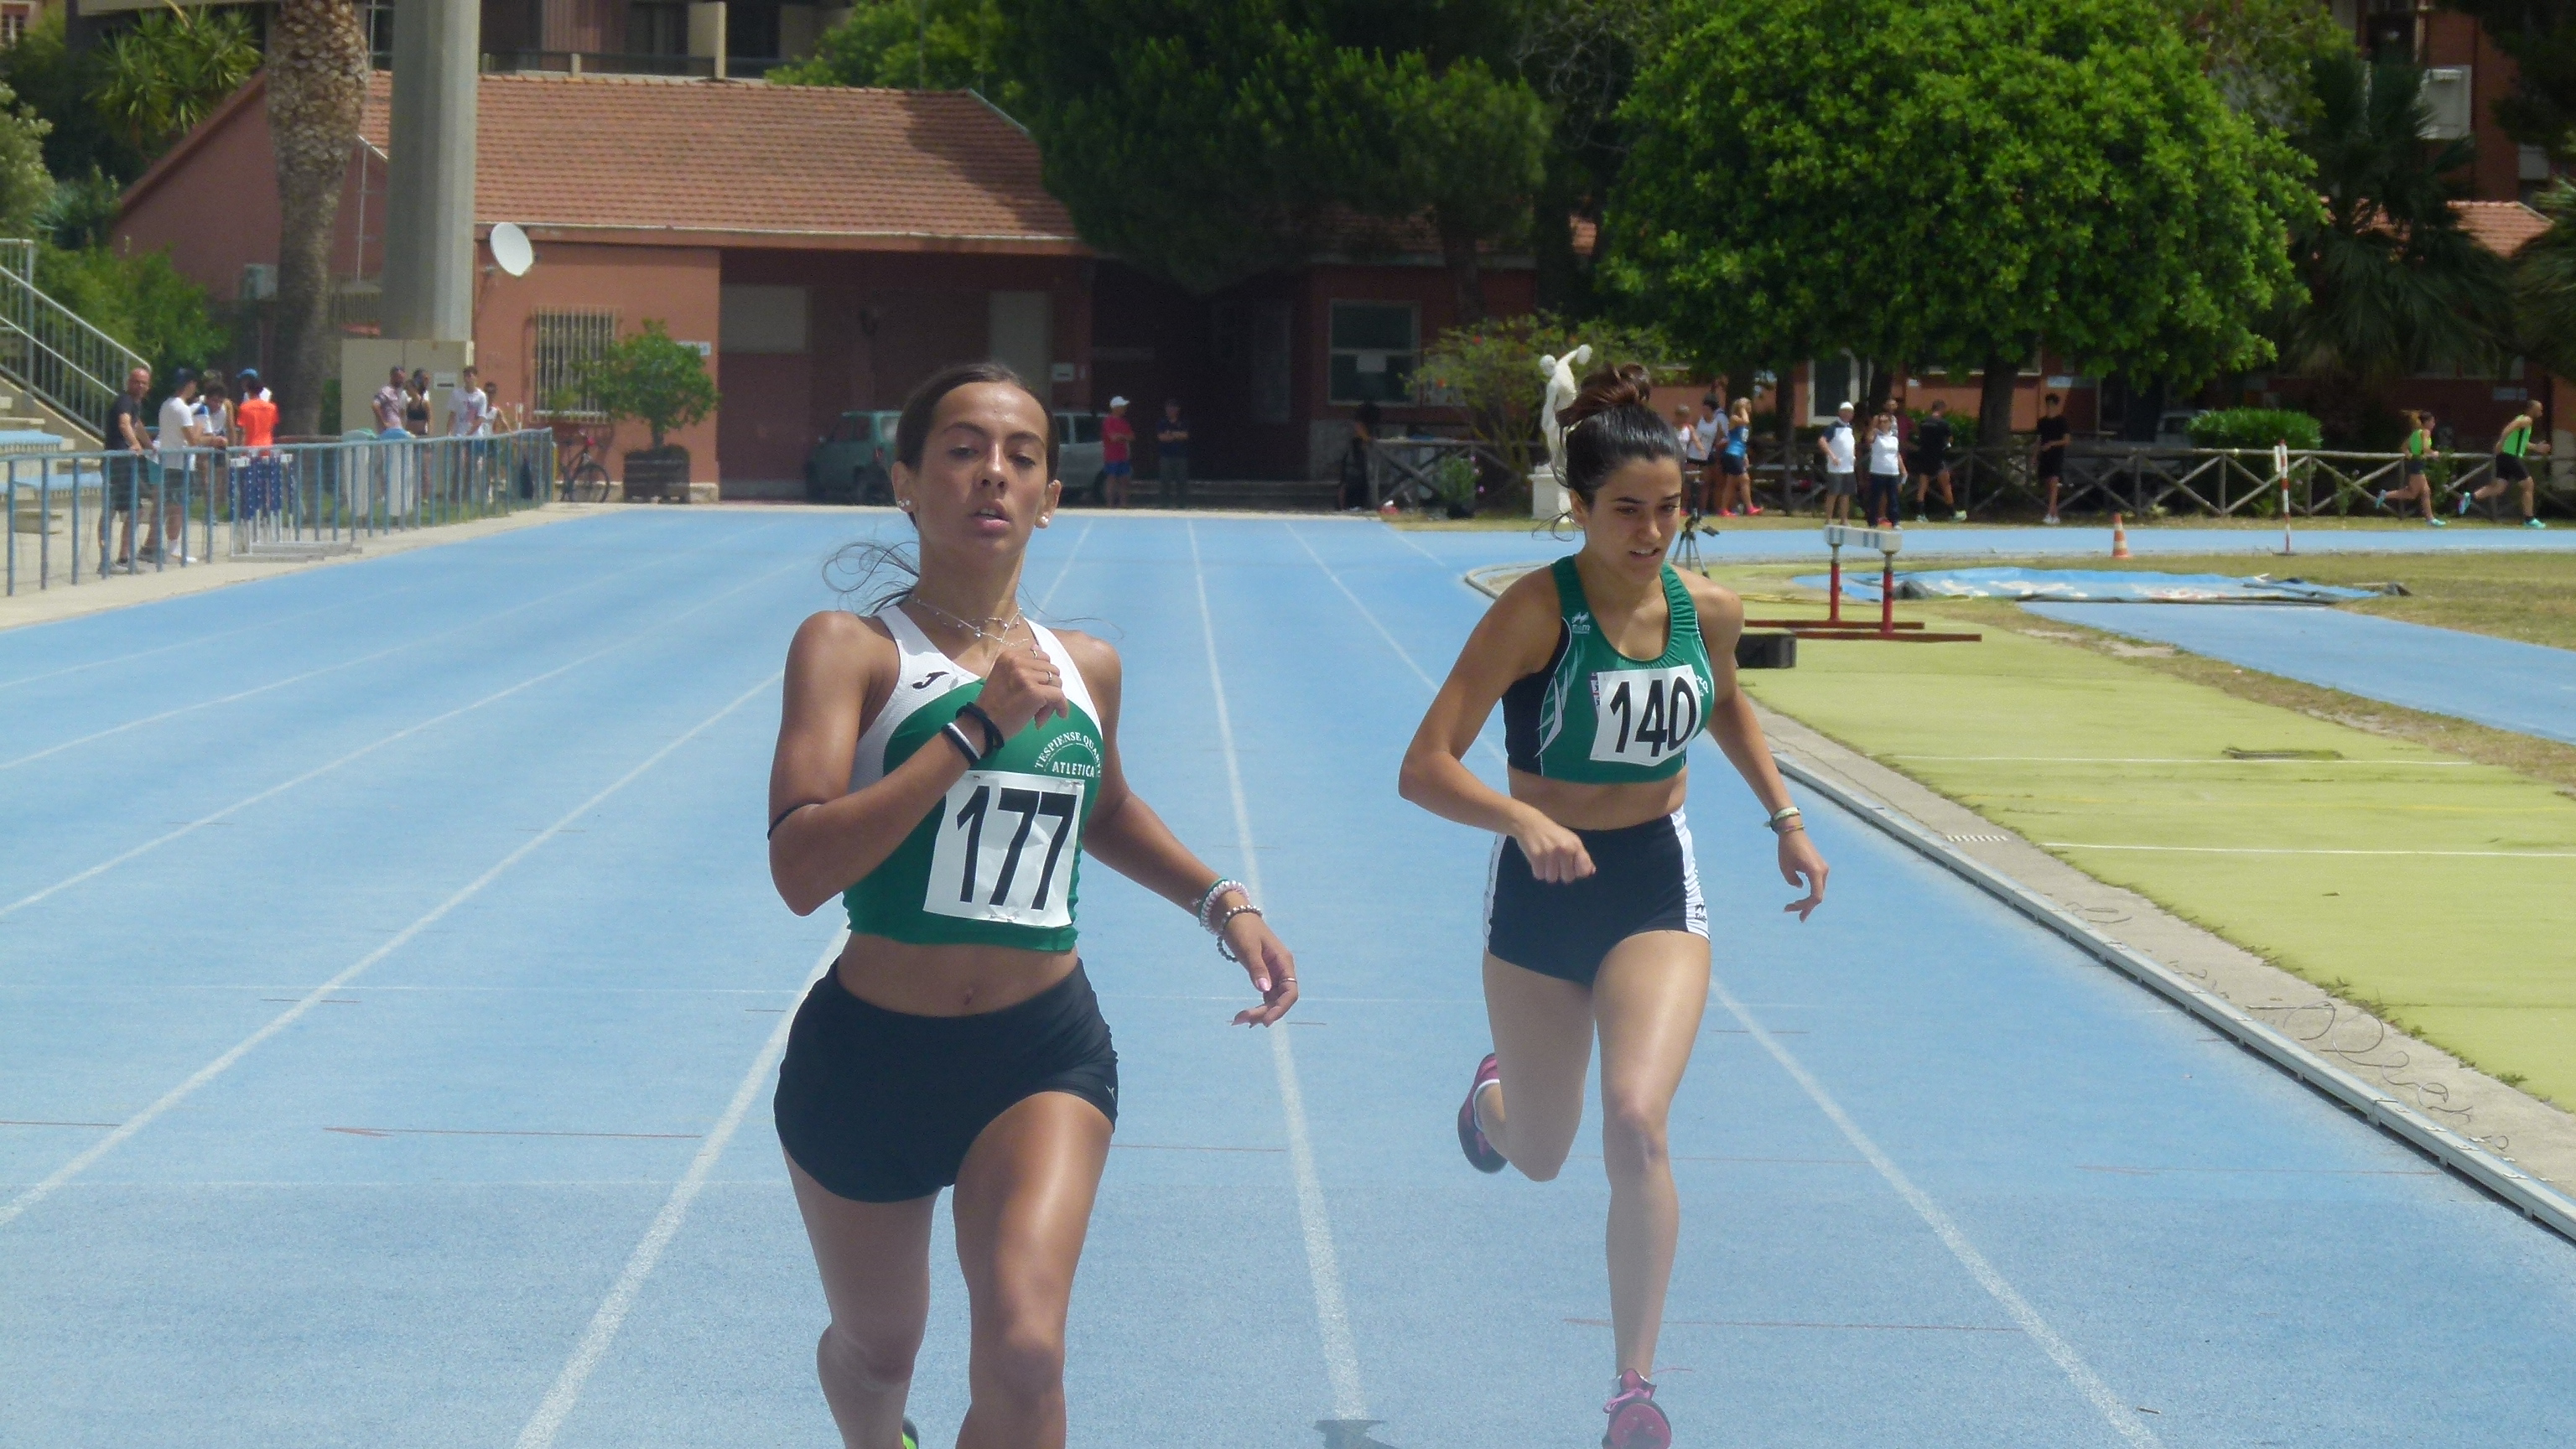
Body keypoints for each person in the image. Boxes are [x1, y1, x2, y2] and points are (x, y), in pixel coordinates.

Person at [766, 361, 1299, 1449]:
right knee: (878, 1350)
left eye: (1020, 457)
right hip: (867, 1061)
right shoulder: (851, 650)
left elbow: (1105, 809)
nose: (992, 474)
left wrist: (1220, 898)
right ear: (905, 481)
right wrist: (973, 730)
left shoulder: (1084, 665)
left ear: (1053, 496)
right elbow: (800, 869)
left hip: (1039, 1053)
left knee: (1025, 1351)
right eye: (962, 450)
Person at [1397, 362, 1827, 1449]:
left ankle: (1633, 1387)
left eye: (1670, 508)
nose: (1651, 532)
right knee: (1543, 1152)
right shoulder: (1534, 614)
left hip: (1651, 885)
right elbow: (1424, 766)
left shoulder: (1707, 610)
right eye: (1627, 510)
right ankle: (1492, 1105)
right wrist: (1521, 819)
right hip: (1540, 896)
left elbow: (1726, 705)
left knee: (1636, 1121)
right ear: (1579, 507)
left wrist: (1785, 818)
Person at [2466, 399, 2550, 528]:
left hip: (2503, 457)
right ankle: (2529, 519)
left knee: (2499, 488)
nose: (2541, 412)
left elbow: (2521, 442)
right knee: (2528, 485)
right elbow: (2509, 428)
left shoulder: (2523, 420)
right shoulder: (2526, 420)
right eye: (2539, 409)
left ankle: (2470, 497)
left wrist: (2536, 448)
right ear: (2531, 409)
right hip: (2511, 457)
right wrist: (2500, 442)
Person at [101, 366, 152, 569]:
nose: (139, 386)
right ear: (129, 383)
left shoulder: (135, 404)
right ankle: (105, 560)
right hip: (117, 462)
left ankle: (123, 557)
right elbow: (124, 424)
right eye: (136, 382)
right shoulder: (124, 401)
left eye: (143, 383)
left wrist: (149, 445)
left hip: (126, 463)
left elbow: (136, 425)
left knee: (136, 510)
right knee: (111, 510)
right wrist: (136, 444)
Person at [154, 368, 206, 563]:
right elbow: (193, 440)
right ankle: (173, 548)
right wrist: (200, 423)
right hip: (180, 463)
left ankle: (171, 547)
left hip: (169, 461)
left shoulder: (166, 405)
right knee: (178, 507)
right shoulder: (182, 408)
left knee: (172, 505)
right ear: (190, 384)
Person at [2376, 410, 2445, 526]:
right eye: (2432, 421)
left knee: (2425, 491)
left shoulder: (2415, 433)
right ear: (2426, 422)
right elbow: (2425, 448)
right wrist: (2434, 453)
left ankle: (2430, 518)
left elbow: (2404, 447)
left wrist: (2411, 456)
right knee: (2413, 493)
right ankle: (2385, 495)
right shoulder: (2425, 432)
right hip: (2419, 464)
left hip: (2416, 462)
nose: (2434, 424)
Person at [1909, 399, 1963, 522]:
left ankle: (1920, 514)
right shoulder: (1943, 423)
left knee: (1922, 486)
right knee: (1946, 485)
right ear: (1942, 409)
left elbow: (1919, 436)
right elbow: (1950, 439)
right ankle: (1952, 513)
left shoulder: (1924, 422)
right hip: (1938, 458)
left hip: (1924, 456)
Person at [1817, 400, 1857, 522]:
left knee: (1846, 494)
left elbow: (1850, 444)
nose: (1847, 414)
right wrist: (1832, 456)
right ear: (1840, 413)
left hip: (1848, 467)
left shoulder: (1850, 427)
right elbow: (1822, 441)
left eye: (1849, 412)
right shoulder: (1833, 427)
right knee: (1833, 493)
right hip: (1836, 467)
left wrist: (1853, 456)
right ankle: (1828, 519)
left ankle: (1844, 519)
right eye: (1845, 412)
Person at [1864, 404, 1904, 527]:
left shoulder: (1894, 437)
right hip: (1878, 471)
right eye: (1880, 422)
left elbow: (1896, 454)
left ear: (1890, 423)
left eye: (1885, 421)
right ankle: (1872, 521)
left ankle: (1895, 521)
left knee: (1893, 498)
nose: (1882, 424)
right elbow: (1868, 440)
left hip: (1892, 472)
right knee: (1875, 498)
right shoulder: (1876, 435)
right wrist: (1874, 425)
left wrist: (1903, 469)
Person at [2033, 392, 2070, 525]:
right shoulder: (2042, 422)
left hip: (2056, 455)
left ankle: (2049, 513)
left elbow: (2066, 440)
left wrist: (2052, 444)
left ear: (2056, 406)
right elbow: (2038, 440)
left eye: (2052, 405)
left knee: (2054, 484)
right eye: (2048, 405)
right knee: (2048, 485)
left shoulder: (2062, 421)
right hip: (2045, 456)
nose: (2050, 407)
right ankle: (2055, 514)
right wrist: (2035, 456)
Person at [1720, 398, 1756, 517]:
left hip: (1739, 454)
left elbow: (1742, 441)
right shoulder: (1734, 418)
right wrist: (1742, 408)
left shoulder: (1745, 425)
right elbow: (1745, 421)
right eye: (1747, 405)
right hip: (1732, 453)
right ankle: (1750, 508)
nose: (1749, 406)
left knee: (1730, 483)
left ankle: (1723, 509)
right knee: (1745, 480)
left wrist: (1745, 456)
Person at [1155, 397, 1189, 509]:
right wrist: (1177, 435)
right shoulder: (1162, 422)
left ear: (1177, 409)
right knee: (1165, 481)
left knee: (1181, 481)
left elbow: (1185, 435)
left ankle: (1181, 505)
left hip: (1181, 456)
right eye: (1168, 408)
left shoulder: (1183, 422)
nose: (1170, 410)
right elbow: (1161, 437)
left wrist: (1171, 434)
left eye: (1172, 408)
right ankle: (1164, 504)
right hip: (1166, 456)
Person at [1100, 396, 1134, 509]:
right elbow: (1113, 437)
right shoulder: (1108, 421)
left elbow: (1132, 437)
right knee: (1112, 479)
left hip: (1123, 455)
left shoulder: (1124, 422)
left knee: (1124, 480)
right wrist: (1123, 436)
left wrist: (1120, 436)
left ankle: (1124, 503)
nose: (1124, 408)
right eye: (1122, 406)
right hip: (1112, 456)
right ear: (1116, 407)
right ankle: (1110, 504)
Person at [372, 366, 409, 438]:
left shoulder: (399, 392)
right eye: (400, 378)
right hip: (388, 432)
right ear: (393, 377)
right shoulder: (386, 391)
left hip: (398, 430)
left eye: (403, 378)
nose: (402, 381)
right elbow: (375, 406)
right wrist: (384, 423)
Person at [405, 370, 433, 439]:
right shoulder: (409, 404)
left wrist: (429, 436)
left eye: (408, 389)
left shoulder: (424, 403)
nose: (407, 391)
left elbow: (430, 420)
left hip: (421, 435)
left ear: (414, 388)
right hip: (410, 435)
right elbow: (408, 421)